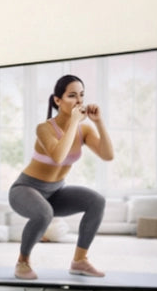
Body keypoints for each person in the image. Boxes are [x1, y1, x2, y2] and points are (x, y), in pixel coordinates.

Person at [9, 74, 114, 280]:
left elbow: (108, 155)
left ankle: (79, 261)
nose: (79, 101)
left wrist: (99, 122)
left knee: (97, 201)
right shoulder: (44, 128)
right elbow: (58, 156)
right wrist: (74, 122)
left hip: (55, 191)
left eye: (82, 95)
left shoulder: (84, 129)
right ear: (58, 100)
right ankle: (22, 262)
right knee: (44, 213)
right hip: (25, 189)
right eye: (72, 95)